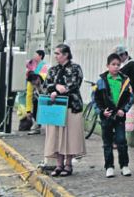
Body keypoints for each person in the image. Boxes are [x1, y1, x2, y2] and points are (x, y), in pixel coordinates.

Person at [43, 44, 86, 177]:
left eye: (58, 53)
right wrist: (55, 88)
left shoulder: (75, 68)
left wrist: (62, 89)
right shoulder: (53, 70)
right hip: (56, 107)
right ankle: (58, 164)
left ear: (66, 54)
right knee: (56, 135)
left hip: (71, 106)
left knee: (70, 135)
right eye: (55, 54)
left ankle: (68, 164)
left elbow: (75, 83)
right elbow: (46, 85)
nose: (56, 56)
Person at [94, 52, 134, 178]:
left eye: (118, 64)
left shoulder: (125, 81)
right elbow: (95, 100)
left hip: (120, 116)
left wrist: (124, 109)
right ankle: (109, 166)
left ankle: (124, 165)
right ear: (108, 66)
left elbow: (130, 98)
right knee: (107, 142)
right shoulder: (101, 81)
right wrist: (102, 111)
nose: (116, 67)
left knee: (121, 140)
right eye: (113, 64)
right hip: (107, 116)